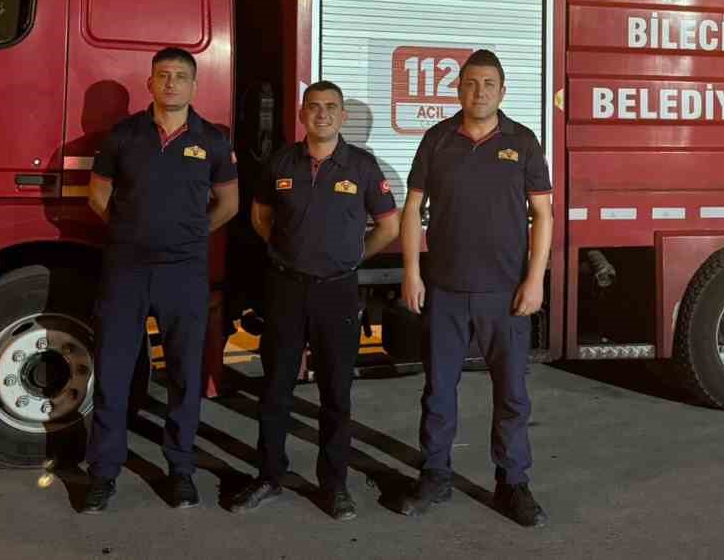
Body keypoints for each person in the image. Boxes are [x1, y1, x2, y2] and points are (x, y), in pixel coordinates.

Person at [398, 49, 553, 528]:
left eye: (488, 84)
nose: (479, 91)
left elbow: (543, 215)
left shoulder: (523, 142)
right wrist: (411, 272)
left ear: (502, 91)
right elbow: (411, 210)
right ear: (458, 88)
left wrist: (534, 280)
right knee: (439, 391)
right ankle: (435, 476)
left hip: (504, 294)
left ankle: (513, 483)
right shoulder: (437, 140)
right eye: (470, 83)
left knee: (511, 395)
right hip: (444, 290)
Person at [81, 47, 239, 513]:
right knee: (113, 371)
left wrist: (190, 235)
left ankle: (181, 471)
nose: (171, 83)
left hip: (184, 272)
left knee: (185, 375)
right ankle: (103, 474)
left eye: (180, 76)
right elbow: (97, 195)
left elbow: (228, 204)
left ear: (194, 85)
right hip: (126, 269)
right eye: (163, 76)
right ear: (149, 83)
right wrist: (131, 232)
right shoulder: (124, 135)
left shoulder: (211, 140)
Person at [232, 81, 400, 520]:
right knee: (275, 387)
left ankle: (335, 485)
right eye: (314, 107)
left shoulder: (362, 166)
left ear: (343, 117)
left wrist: (353, 256)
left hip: (337, 291)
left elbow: (389, 225)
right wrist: (286, 251)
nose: (322, 114)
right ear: (302, 115)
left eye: (331, 107)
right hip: (286, 288)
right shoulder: (281, 162)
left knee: (335, 392)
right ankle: (269, 475)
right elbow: (259, 216)